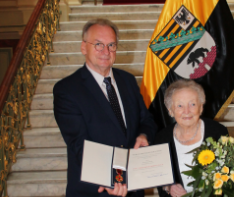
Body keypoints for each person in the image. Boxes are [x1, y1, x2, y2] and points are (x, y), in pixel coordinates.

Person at [53, 18, 157, 197]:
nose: (106, 51)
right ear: (84, 47)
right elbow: (80, 145)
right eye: (98, 44)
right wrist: (112, 178)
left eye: (111, 45)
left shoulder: (128, 81)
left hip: (134, 187)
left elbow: (146, 120)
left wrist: (143, 135)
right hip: (96, 190)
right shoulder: (67, 90)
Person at [154, 79, 228, 197]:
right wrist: (168, 186)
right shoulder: (161, 139)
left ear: (201, 107)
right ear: (170, 110)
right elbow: (158, 176)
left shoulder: (218, 132)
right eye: (179, 105)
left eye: (192, 104)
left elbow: (227, 175)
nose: (186, 111)